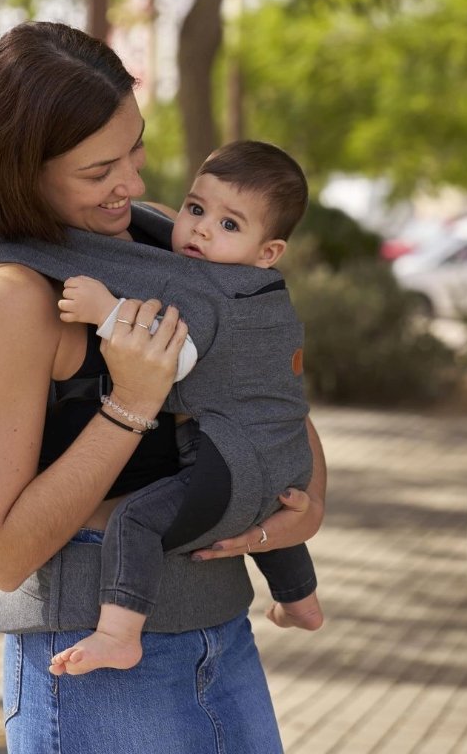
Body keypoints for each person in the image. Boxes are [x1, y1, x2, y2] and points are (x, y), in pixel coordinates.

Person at [0, 20, 326, 754]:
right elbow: (4, 553)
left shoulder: (161, 235)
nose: (133, 184)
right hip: (93, 668)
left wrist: (305, 501)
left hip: (223, 635)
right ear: (22, 167)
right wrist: (132, 402)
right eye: (98, 169)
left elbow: (260, 383)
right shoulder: (11, 294)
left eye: (134, 148)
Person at [46, 140, 323, 677]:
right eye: (196, 209)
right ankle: (299, 600)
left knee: (136, 521)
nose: (199, 229)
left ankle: (118, 634)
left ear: (269, 250)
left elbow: (169, 356)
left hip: (226, 460)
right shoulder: (269, 293)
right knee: (265, 503)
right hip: (288, 462)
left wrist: (105, 309)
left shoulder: (204, 288)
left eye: (228, 225)